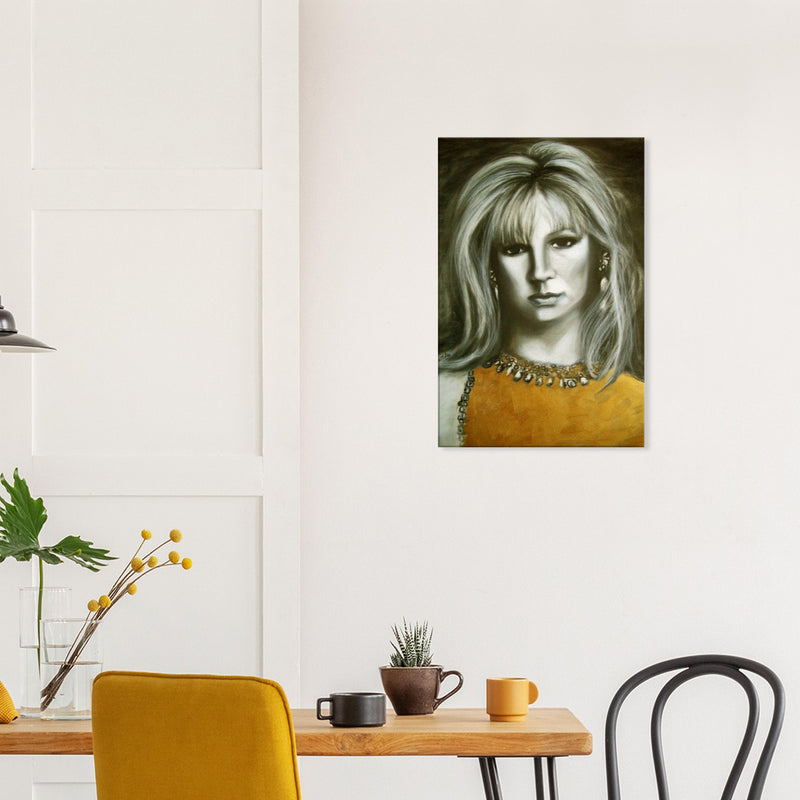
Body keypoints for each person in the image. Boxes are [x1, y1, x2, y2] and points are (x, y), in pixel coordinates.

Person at [438, 140, 644, 447]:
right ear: (491, 267)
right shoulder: (443, 393)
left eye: (562, 243)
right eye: (515, 248)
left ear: (601, 255)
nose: (540, 271)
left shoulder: (641, 408)